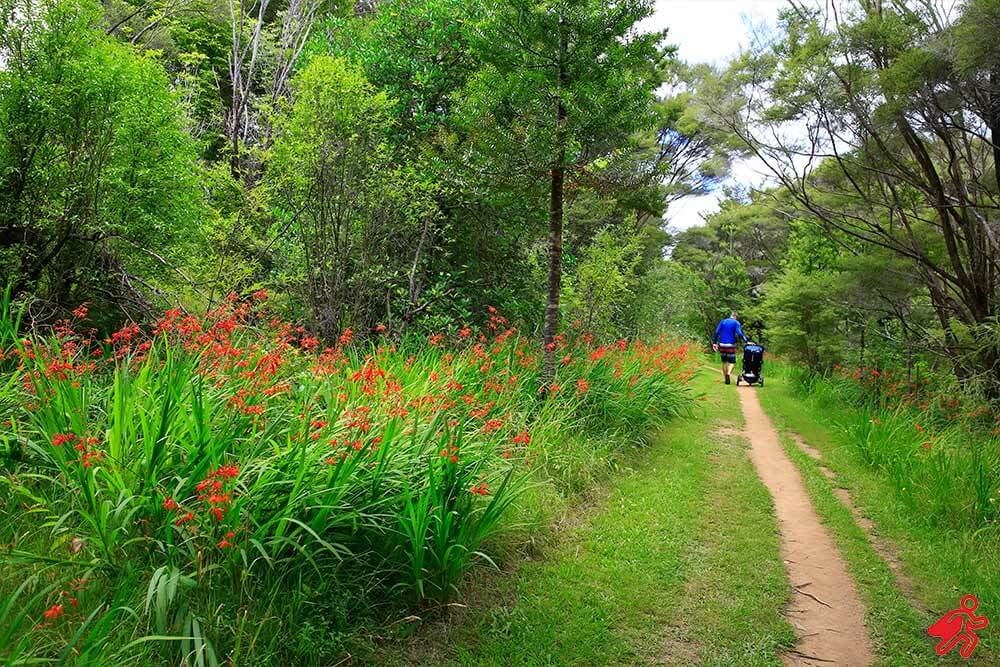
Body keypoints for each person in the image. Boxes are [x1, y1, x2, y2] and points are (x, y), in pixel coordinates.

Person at [712, 311, 748, 384]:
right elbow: (739, 333)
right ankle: (728, 374)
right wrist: (746, 341)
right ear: (735, 317)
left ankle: (726, 378)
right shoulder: (736, 322)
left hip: (721, 344)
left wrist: (714, 343)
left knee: (724, 362)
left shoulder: (723, 322)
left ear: (730, 315)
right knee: (732, 362)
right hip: (730, 345)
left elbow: (716, 332)